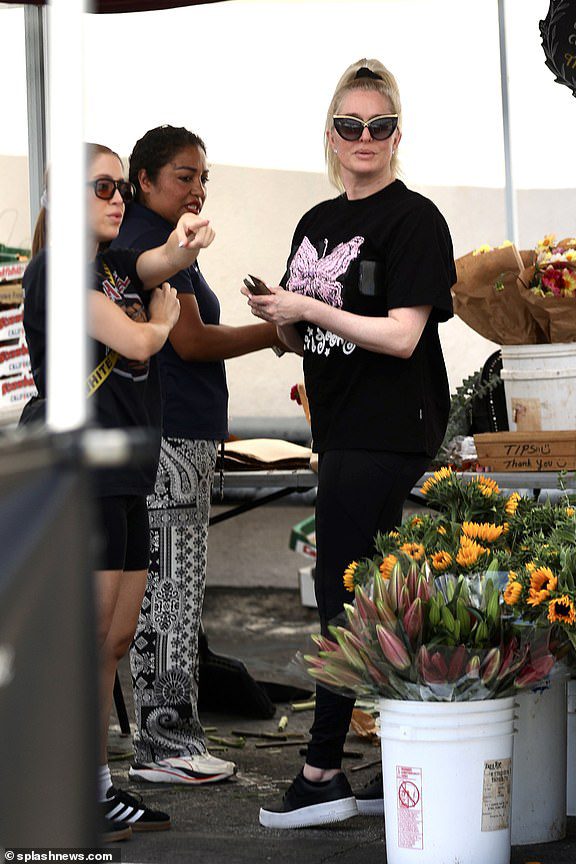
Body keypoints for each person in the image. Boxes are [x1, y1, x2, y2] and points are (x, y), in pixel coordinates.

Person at [243, 59, 456, 829]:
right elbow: (310, 336)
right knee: (378, 599)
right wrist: (283, 316)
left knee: (342, 596)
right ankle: (395, 756)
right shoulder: (315, 221)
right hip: (340, 429)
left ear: (397, 136)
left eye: (379, 125)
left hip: (388, 430)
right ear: (330, 136)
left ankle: (321, 769)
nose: (364, 138)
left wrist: (307, 305)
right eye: (349, 125)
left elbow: (403, 336)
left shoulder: (415, 218)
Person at [21, 143, 215, 840]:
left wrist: (185, 241)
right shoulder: (55, 272)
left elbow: (161, 263)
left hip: (127, 475)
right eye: (101, 186)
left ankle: (96, 786)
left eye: (119, 189)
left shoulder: (111, 266)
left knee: (115, 637)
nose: (116, 199)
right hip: (84, 474)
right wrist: (162, 323)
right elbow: (136, 342)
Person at [112, 125, 280, 786]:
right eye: (185, 175)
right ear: (144, 180)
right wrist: (277, 330)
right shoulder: (150, 246)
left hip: (183, 435)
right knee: (168, 597)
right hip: (167, 439)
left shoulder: (169, 243)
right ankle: (167, 746)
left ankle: (171, 738)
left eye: (204, 176)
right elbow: (191, 344)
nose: (198, 188)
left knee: (175, 596)